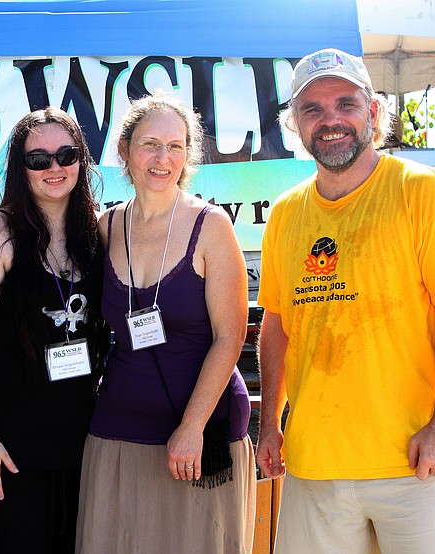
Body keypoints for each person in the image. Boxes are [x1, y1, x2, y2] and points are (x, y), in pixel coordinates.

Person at [257, 48, 435, 553]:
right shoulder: (285, 215)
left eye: (346, 103)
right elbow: (276, 323)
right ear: (294, 125)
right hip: (314, 464)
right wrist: (270, 425)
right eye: (312, 109)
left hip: (413, 464)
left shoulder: (421, 190)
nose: (330, 120)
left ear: (374, 113)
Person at [76, 94, 255, 553]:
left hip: (201, 430)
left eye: (176, 147)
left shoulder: (211, 226)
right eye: (150, 144)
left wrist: (192, 428)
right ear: (125, 151)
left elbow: (230, 336)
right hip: (119, 424)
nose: (163, 159)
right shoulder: (105, 227)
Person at [0, 108, 109, 553]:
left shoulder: (92, 234)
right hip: (8, 453)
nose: (54, 168)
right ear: (20, 169)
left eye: (66, 155)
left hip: (78, 448)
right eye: (38, 159)